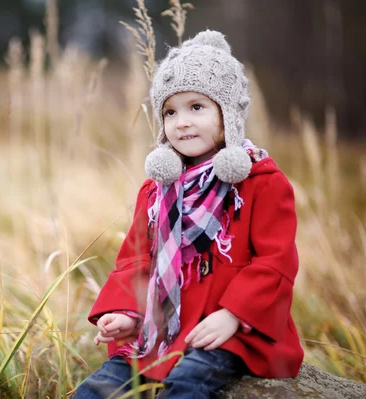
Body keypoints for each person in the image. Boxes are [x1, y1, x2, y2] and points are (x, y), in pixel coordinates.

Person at [73, 30, 304, 399]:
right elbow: (136, 261)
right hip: (162, 329)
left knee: (186, 384)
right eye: (170, 111)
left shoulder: (260, 183)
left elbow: (275, 262)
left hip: (235, 331)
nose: (181, 122)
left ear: (227, 113)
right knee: (97, 389)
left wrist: (233, 314)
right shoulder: (157, 192)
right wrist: (127, 314)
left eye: (197, 107)